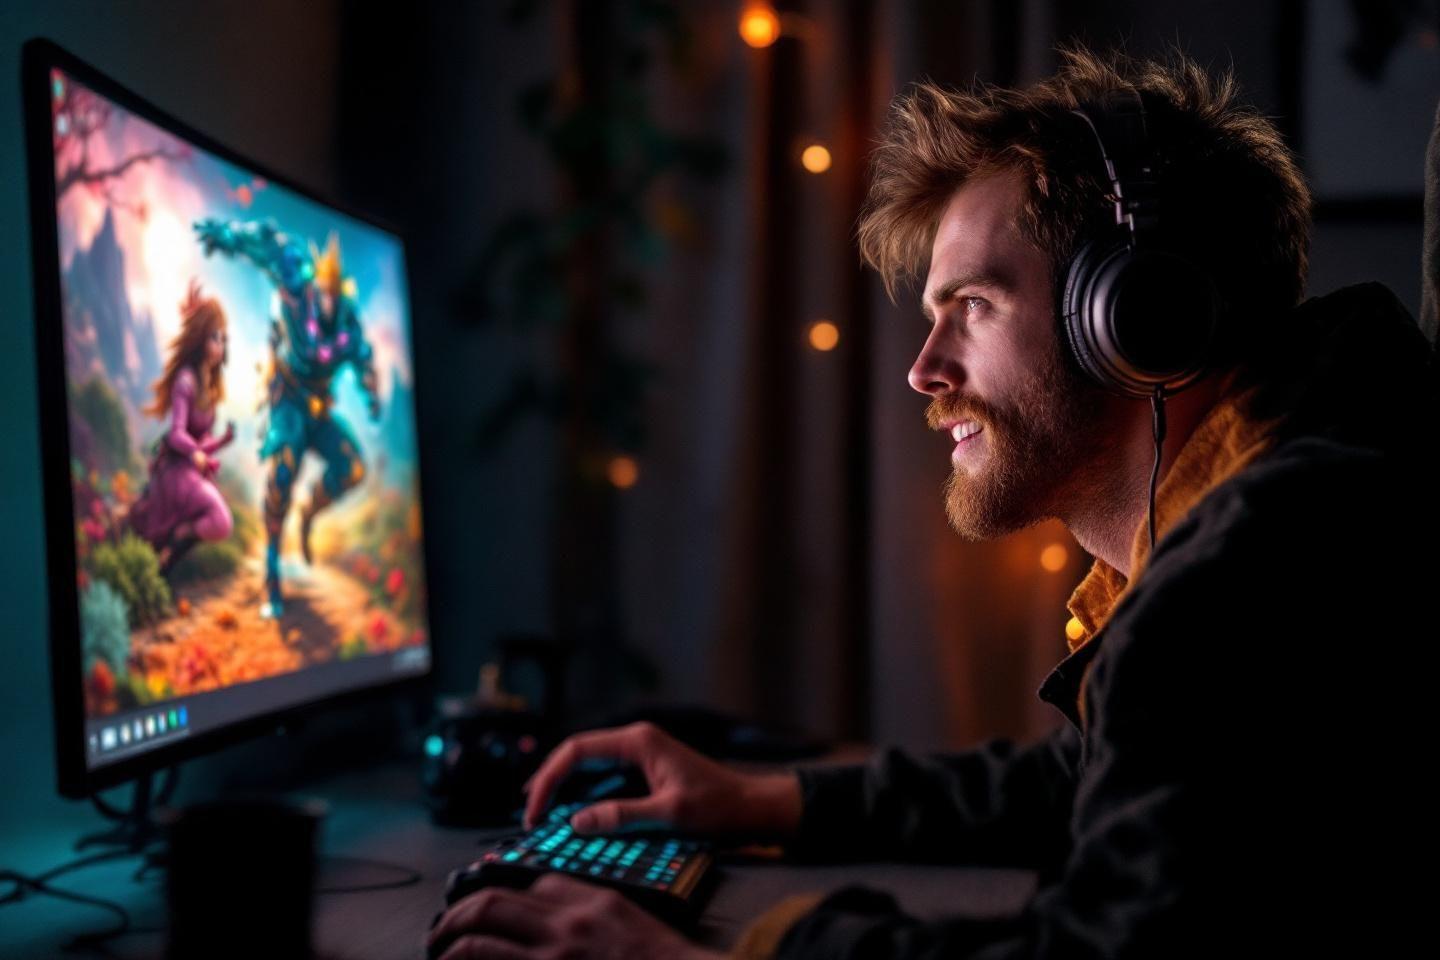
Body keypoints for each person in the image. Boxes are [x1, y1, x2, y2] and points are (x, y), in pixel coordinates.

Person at [427, 42, 1440, 960]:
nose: (924, 370)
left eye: (974, 305)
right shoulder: (1300, 497)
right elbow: (1091, 782)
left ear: (1137, 319)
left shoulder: (1263, 565)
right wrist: (761, 800)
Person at [128, 279, 236, 575]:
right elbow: (177, 434)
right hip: (177, 471)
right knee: (220, 520)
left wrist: (222, 441)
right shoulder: (186, 381)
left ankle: (171, 552)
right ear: (200, 339)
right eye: (215, 337)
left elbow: (201, 442)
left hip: (192, 470)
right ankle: (171, 548)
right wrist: (195, 453)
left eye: (223, 338)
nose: (220, 345)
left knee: (218, 523)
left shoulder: (209, 383)